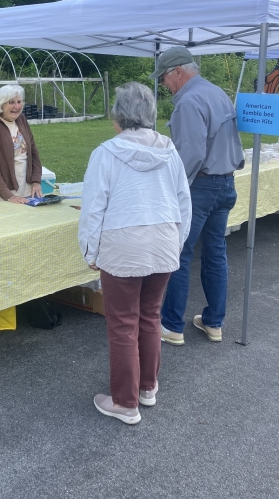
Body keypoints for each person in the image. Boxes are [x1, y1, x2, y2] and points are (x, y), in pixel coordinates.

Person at [79, 82, 191, 425]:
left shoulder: (106, 153)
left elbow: (93, 208)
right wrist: (177, 240)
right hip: (162, 241)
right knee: (150, 317)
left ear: (118, 116)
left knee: (124, 323)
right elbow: (184, 202)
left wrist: (89, 250)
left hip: (123, 245)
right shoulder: (170, 151)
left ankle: (126, 403)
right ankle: (147, 387)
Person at [149, 46, 245, 346]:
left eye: (164, 78)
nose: (164, 85)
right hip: (226, 183)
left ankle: (172, 325)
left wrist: (169, 187)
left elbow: (190, 155)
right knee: (215, 253)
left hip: (200, 187)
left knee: (179, 254)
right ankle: (214, 322)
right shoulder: (217, 92)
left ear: (178, 71)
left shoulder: (189, 101)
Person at [0, 85, 43, 202]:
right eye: (11, 102)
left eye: (19, 102)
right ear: (1, 104)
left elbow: (33, 152)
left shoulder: (21, 120)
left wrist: (36, 180)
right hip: (5, 192)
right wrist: (9, 196)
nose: (17, 106)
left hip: (29, 189)